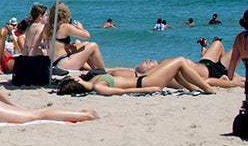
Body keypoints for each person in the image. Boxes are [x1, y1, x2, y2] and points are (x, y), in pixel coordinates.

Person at [58, 57, 217, 95]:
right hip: (145, 82)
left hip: (144, 78)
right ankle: (207, 88)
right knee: (180, 62)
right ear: (75, 80)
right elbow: (122, 92)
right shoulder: (98, 86)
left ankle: (193, 87)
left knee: (172, 64)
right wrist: (150, 88)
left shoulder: (94, 81)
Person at [46, 3, 106, 71]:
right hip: (64, 63)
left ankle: (94, 69)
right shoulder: (65, 26)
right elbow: (87, 35)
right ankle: (103, 71)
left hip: (54, 62)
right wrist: (80, 28)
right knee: (93, 45)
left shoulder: (50, 27)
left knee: (85, 44)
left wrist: (67, 46)